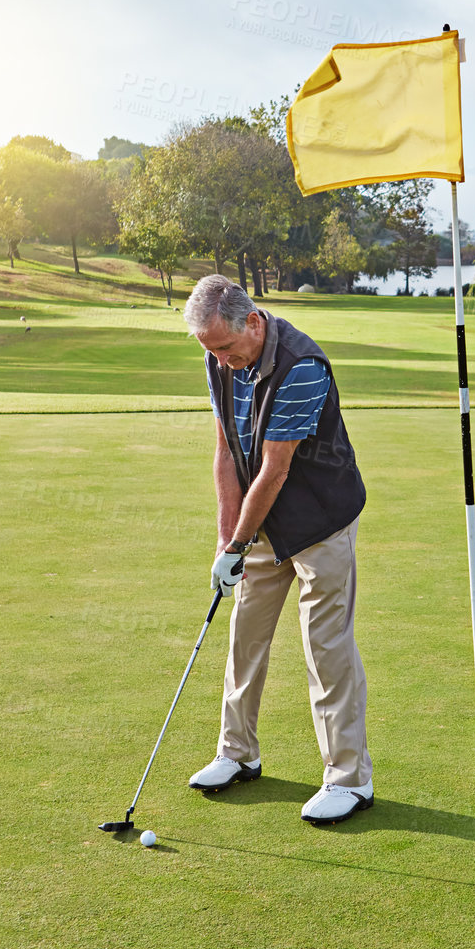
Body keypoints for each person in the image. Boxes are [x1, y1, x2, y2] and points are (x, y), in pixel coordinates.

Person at [181, 274, 373, 825]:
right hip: (261, 522)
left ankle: (349, 779)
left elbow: (275, 468)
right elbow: (226, 451)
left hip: (320, 520)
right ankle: (237, 754)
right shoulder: (220, 358)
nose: (220, 360)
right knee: (246, 634)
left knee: (326, 646)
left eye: (226, 347)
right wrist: (228, 542)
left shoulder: (301, 367)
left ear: (254, 322)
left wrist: (240, 540)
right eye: (209, 350)